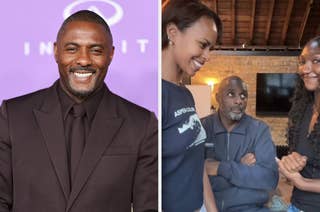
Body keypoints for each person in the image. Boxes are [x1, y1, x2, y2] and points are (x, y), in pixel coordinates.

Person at [0, 10, 157, 212]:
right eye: (72, 49)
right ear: (56, 51)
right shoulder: (13, 116)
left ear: (111, 54)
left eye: (96, 50)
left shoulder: (141, 124)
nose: (83, 60)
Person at [161, 0, 222, 211]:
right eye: (203, 44)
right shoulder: (151, 95)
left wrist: (211, 209)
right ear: (173, 33)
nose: (207, 56)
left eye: (210, 48)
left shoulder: (185, 94)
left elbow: (195, 161)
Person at [202, 76, 279, 212]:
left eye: (243, 96)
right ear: (218, 97)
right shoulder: (202, 127)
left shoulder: (259, 130)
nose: (239, 101)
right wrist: (241, 167)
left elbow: (269, 178)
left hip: (251, 208)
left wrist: (220, 167)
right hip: (207, 207)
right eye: (231, 94)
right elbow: (192, 175)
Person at [277, 36, 320, 212]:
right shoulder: (303, 109)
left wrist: (302, 183)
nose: (305, 69)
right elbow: (301, 157)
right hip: (297, 206)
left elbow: (301, 180)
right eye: (303, 62)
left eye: (316, 60)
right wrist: (291, 161)